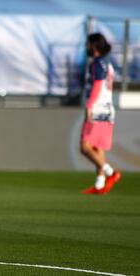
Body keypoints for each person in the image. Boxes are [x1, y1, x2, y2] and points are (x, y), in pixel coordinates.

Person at [80, 33, 121, 195]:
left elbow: (97, 85)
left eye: (89, 44)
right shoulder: (108, 64)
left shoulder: (97, 63)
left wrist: (89, 106)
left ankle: (111, 172)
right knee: (97, 147)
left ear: (94, 46)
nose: (87, 47)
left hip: (97, 109)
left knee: (85, 147)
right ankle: (100, 184)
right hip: (108, 109)